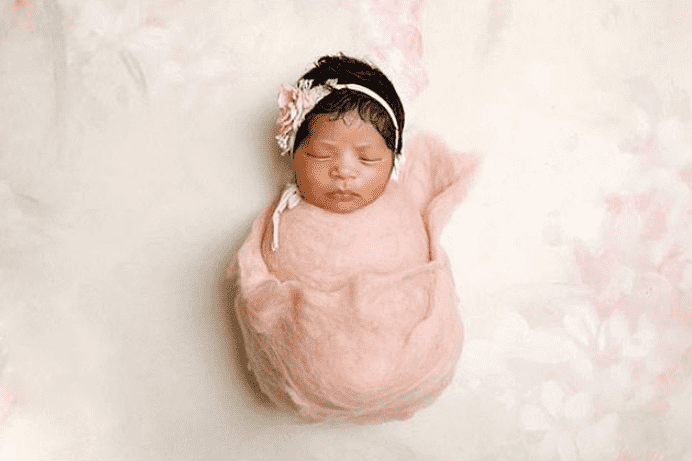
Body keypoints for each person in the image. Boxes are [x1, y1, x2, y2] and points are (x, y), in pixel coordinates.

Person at [231, 54, 478, 423]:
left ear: (394, 160)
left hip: (412, 366)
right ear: (293, 153)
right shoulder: (284, 223)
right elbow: (263, 293)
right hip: (307, 373)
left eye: (367, 158)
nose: (344, 171)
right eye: (321, 154)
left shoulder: (400, 208)